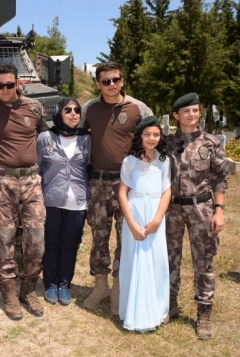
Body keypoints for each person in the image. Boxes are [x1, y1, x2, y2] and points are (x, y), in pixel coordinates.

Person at [0, 61, 49, 320]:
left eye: (9, 84)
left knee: (36, 241)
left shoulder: (34, 107)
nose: (4, 90)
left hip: (31, 183)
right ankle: (9, 292)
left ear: (19, 83)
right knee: (3, 240)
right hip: (2, 182)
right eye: (0, 85)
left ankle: (28, 289)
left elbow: (45, 140)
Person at [79, 61, 153, 315]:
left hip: (129, 185)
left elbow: (154, 140)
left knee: (126, 236)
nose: (111, 85)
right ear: (98, 83)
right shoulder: (89, 108)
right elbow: (77, 138)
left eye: (116, 79)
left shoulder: (138, 108)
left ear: (122, 80)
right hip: (98, 182)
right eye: (106, 81)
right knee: (99, 234)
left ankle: (120, 287)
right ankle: (100, 286)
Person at [165, 93, 228, 339]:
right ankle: (170, 304)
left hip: (202, 209)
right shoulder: (167, 143)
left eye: (195, 110)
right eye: (187, 111)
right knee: (170, 259)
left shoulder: (211, 143)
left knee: (204, 261)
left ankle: (204, 312)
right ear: (176, 115)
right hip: (172, 210)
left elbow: (220, 178)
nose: (192, 115)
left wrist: (219, 211)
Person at [118, 116, 171, 332]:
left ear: (160, 137)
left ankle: (157, 310)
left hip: (155, 216)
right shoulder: (129, 161)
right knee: (133, 259)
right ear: (140, 135)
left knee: (156, 260)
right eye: (147, 134)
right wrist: (130, 223)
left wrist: (157, 219)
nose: (151, 138)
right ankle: (133, 309)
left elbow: (167, 191)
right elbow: (122, 193)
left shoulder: (164, 161)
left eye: (156, 134)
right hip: (135, 213)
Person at [36, 97, 91, 306]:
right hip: (52, 199)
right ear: (59, 112)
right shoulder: (45, 138)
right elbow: (37, 166)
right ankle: (50, 284)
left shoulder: (87, 139)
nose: (73, 113)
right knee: (51, 244)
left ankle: (64, 284)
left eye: (77, 110)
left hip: (78, 202)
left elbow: (90, 167)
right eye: (68, 110)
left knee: (70, 245)